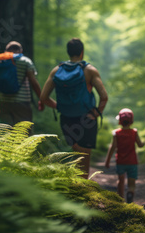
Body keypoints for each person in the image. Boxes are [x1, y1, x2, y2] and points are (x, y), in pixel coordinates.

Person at [40, 38, 108, 179]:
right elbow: (104, 96)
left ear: (68, 52)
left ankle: (77, 188)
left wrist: (59, 106)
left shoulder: (57, 70)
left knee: (76, 154)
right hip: (86, 118)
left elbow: (43, 97)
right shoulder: (89, 70)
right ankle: (83, 189)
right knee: (84, 156)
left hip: (66, 118)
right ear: (82, 52)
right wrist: (96, 113)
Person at [0, 41, 44, 126]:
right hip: (22, 101)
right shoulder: (25, 61)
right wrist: (41, 99)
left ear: (6, 51)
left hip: (4, 101)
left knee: (6, 132)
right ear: (20, 51)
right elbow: (34, 83)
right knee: (24, 131)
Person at [104, 108, 144, 203]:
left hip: (120, 162)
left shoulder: (116, 133)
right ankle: (130, 193)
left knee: (120, 181)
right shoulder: (134, 132)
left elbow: (113, 147)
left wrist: (107, 161)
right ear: (131, 121)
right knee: (131, 182)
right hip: (132, 162)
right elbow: (140, 144)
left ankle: (120, 199)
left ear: (120, 121)